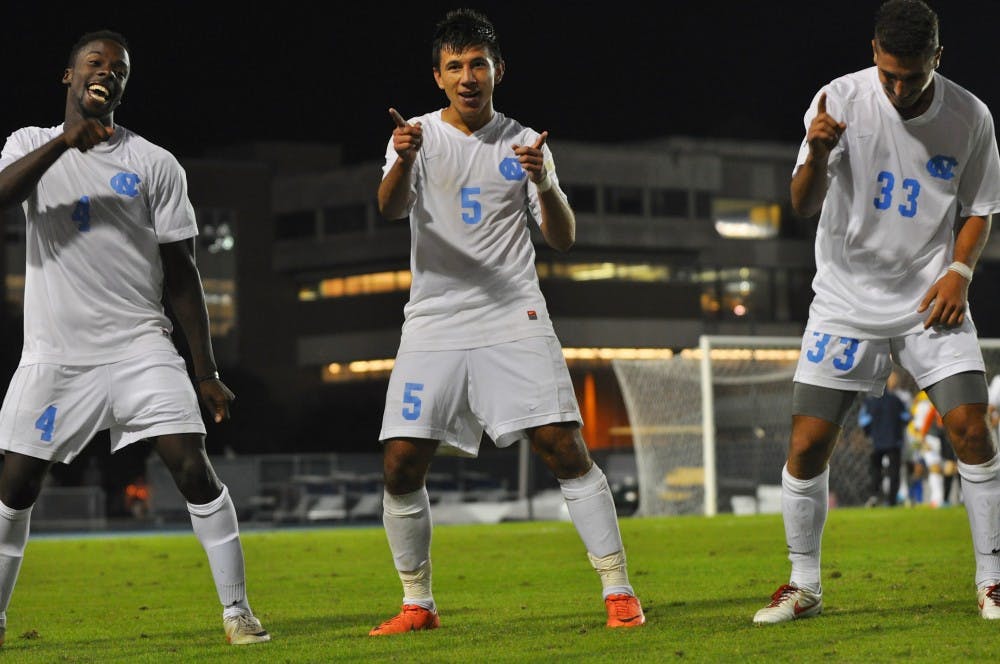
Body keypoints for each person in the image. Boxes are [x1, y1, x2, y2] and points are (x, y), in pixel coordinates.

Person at [369, 8, 644, 635]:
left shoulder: (523, 142)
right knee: (400, 461)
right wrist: (402, 161)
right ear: (438, 76)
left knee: (563, 447)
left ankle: (619, 590)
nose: (468, 77)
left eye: (479, 65)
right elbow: (387, 209)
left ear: (498, 71)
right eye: (456, 66)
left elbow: (563, 238)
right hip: (434, 321)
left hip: (511, 313)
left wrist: (545, 182)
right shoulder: (412, 136)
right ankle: (418, 603)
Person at [0, 30, 269, 645]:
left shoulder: (154, 164)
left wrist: (204, 370)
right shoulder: (28, 144)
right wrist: (67, 143)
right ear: (69, 77)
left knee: (192, 467)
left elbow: (182, 273)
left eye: (119, 69)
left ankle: (238, 612)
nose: (108, 73)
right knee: (15, 486)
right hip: (55, 357)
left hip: (138, 348)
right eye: (95, 64)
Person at [753, 0, 1000, 624]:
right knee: (807, 445)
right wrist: (813, 152)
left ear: (936, 60)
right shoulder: (836, 100)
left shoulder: (970, 116)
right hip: (845, 301)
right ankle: (803, 584)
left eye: (911, 76)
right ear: (874, 53)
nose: (897, 87)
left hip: (929, 300)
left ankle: (993, 581)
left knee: (972, 427)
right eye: (887, 73)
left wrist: (960, 273)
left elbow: (980, 207)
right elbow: (802, 204)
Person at [858, 370, 911, 506]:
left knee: (875, 470)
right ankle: (892, 499)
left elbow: (863, 421)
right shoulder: (897, 400)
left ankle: (874, 495)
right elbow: (906, 418)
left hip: (876, 441)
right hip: (894, 441)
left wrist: (870, 434)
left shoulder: (870, 402)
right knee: (894, 471)